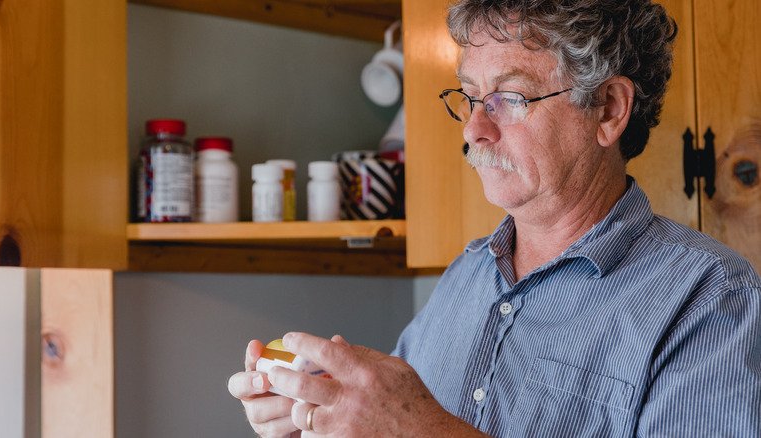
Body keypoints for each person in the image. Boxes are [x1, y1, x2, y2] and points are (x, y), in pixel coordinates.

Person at [228, 0, 761, 436]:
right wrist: (322, 407)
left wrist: (419, 431)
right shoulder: (467, 277)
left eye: (509, 96)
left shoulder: (711, 300)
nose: (473, 129)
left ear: (608, 110)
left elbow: (410, 424)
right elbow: (390, 418)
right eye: (469, 97)